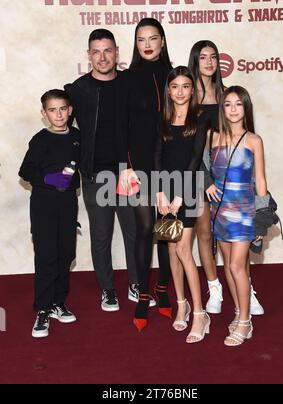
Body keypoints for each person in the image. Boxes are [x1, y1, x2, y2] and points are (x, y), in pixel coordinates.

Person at [64, 29, 139, 312]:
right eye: (96, 51)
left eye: (107, 50)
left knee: (134, 232)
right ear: (89, 55)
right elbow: (60, 125)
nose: (102, 57)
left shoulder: (130, 85)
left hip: (126, 174)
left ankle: (136, 283)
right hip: (95, 176)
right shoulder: (77, 90)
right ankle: (108, 289)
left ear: (116, 52)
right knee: (101, 235)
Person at [188, 40, 264, 315]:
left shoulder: (224, 93)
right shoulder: (189, 95)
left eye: (213, 57)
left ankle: (247, 289)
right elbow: (191, 145)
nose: (208, 62)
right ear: (195, 61)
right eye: (203, 57)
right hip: (199, 171)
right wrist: (204, 179)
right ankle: (214, 286)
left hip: (227, 176)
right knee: (205, 233)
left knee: (234, 237)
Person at [119, 18, 172, 331]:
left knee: (166, 229)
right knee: (144, 228)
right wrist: (126, 166)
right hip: (138, 163)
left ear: (162, 41)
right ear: (136, 44)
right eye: (141, 39)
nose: (148, 44)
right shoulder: (127, 79)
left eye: (153, 38)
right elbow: (121, 127)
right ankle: (142, 294)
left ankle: (163, 289)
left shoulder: (175, 76)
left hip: (170, 162)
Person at [206, 86, 267, 346]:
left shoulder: (254, 140)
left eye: (238, 104)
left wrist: (262, 219)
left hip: (244, 211)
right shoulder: (211, 137)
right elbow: (202, 169)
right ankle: (238, 312)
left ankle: (244, 320)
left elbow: (261, 181)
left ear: (245, 108)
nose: (232, 109)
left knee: (236, 266)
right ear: (222, 108)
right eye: (228, 104)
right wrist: (207, 183)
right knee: (228, 266)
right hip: (219, 210)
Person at [155, 66, 211, 343]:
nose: (179, 91)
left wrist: (180, 196)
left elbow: (195, 159)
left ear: (192, 89)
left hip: (187, 191)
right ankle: (182, 304)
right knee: (171, 250)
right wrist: (160, 194)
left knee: (184, 251)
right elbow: (156, 158)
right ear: (168, 89)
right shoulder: (162, 118)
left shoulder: (199, 118)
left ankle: (200, 313)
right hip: (164, 193)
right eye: (174, 86)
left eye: (185, 86)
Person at [19, 89, 80, 338]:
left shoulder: (77, 136)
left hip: (67, 205)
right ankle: (43, 309)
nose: (58, 114)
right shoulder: (40, 139)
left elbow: (80, 168)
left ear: (70, 110)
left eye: (62, 109)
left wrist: (72, 180)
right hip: (43, 205)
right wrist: (50, 179)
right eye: (52, 110)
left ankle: (57, 302)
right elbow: (25, 171)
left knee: (66, 254)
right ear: (44, 114)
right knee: (47, 257)